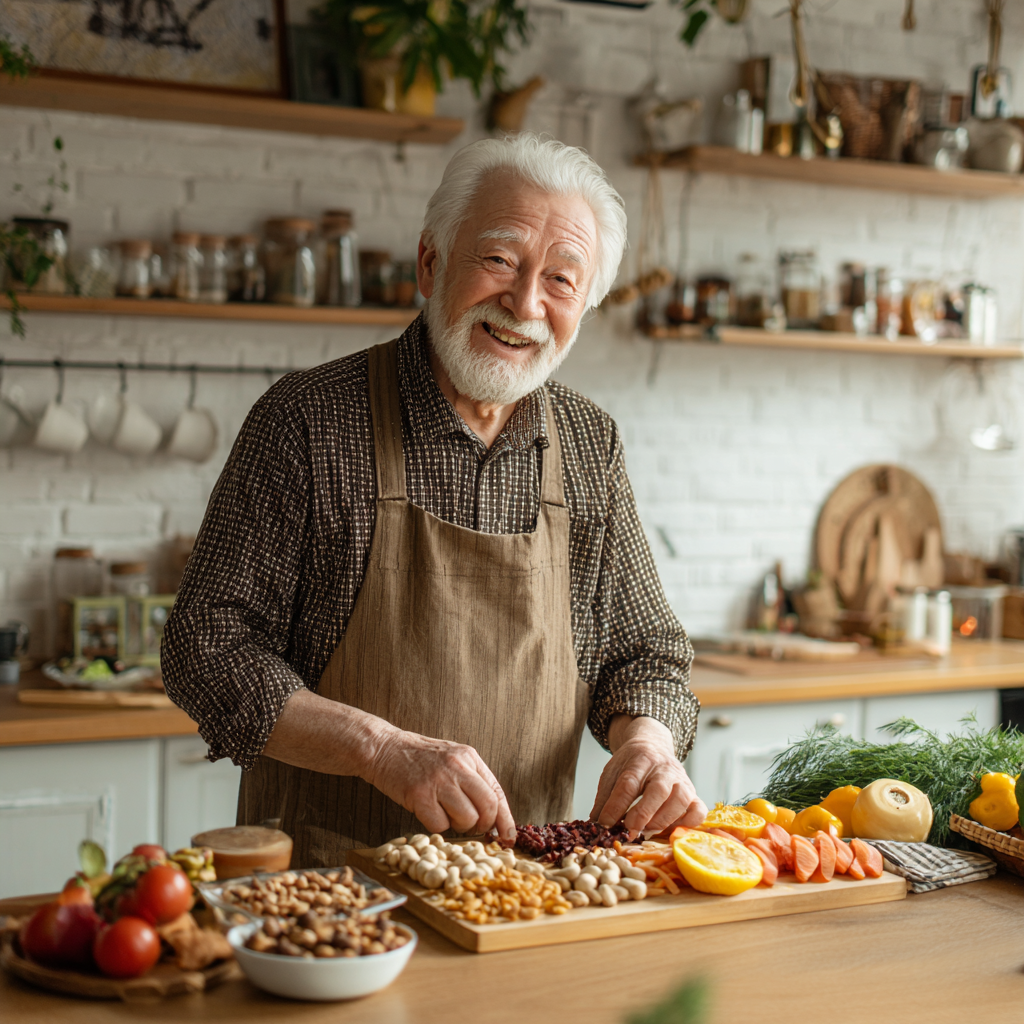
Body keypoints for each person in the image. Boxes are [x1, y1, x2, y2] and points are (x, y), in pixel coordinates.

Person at [162, 133, 706, 866]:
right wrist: (380, 749)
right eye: (499, 261)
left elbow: (646, 654)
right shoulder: (308, 421)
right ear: (431, 261)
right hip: (328, 895)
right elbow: (205, 645)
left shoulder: (588, 445)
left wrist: (649, 744)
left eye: (561, 280)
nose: (524, 303)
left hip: (522, 892)